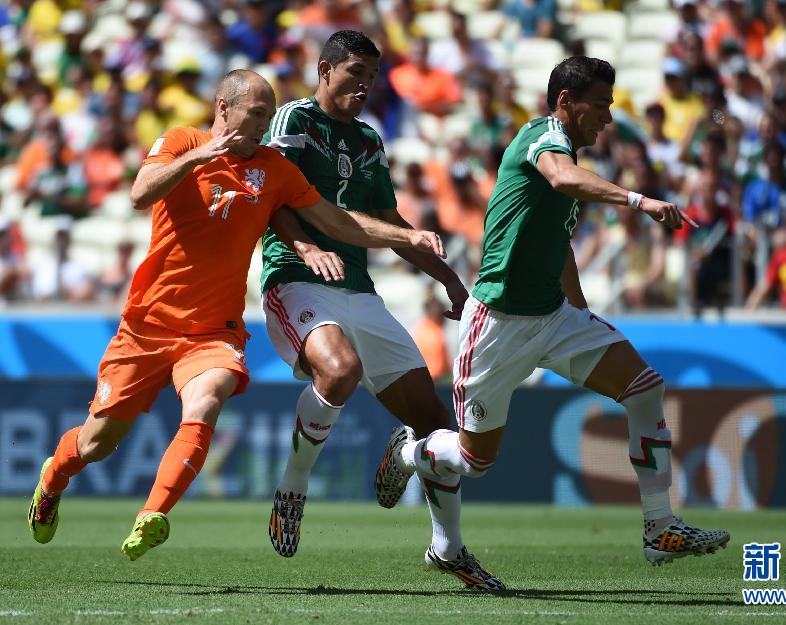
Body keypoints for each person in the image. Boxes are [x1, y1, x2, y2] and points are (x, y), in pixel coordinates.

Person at [27, 69, 446, 561]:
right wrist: (199, 156)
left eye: (270, 115)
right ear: (224, 107)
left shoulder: (273, 168)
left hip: (214, 328)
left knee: (207, 401)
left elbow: (335, 220)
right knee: (97, 442)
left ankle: (152, 515)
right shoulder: (183, 141)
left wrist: (406, 236)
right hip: (148, 325)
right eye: (257, 114)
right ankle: (54, 476)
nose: (265, 125)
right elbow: (140, 194)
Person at [384, 56, 730, 570]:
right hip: (497, 324)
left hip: (553, 317)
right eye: (600, 106)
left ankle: (660, 526)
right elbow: (564, 178)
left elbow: (560, 246)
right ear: (566, 102)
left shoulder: (566, 157)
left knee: (645, 388)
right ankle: (410, 454)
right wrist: (640, 201)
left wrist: (583, 314)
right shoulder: (539, 139)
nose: (608, 118)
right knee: (477, 462)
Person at [261, 31, 503, 591]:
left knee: (440, 429)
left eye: (372, 75)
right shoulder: (294, 121)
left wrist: (451, 282)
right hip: (296, 279)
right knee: (340, 371)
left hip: (357, 288)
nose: (365, 85)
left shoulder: (368, 140)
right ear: (324, 69)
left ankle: (445, 542)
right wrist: (305, 247)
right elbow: (269, 198)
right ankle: (293, 485)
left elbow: (389, 221)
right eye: (355, 73)